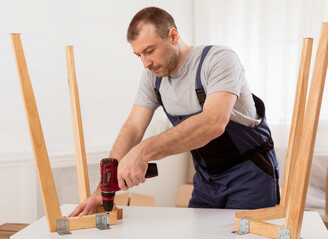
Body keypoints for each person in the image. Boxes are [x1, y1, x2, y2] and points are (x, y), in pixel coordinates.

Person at [69, 6, 280, 217]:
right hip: (206, 181)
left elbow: (213, 122)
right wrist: (103, 189)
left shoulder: (218, 60)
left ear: (173, 35)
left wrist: (142, 152)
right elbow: (133, 127)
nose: (145, 63)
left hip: (250, 176)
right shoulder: (153, 78)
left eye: (149, 51)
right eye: (139, 55)